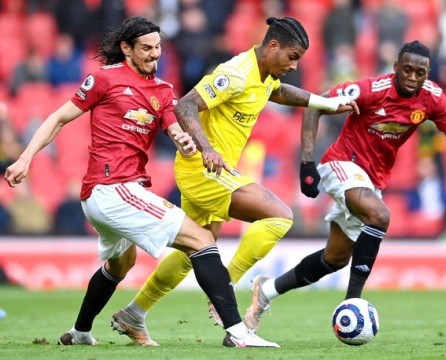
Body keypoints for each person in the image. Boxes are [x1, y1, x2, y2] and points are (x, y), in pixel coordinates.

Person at [4, 16, 279, 348]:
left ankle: (79, 332)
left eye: (158, 48)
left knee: (121, 264)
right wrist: (25, 157)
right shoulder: (104, 79)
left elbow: (173, 126)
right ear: (126, 48)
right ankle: (238, 332)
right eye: (146, 48)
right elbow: (58, 118)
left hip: (119, 192)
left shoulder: (162, 90)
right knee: (202, 239)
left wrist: (185, 141)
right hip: (110, 188)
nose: (154, 55)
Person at [112, 16, 357, 345]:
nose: (295, 65)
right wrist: (208, 148)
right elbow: (185, 105)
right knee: (280, 215)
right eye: (292, 57)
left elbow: (278, 91)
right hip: (205, 170)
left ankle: (134, 313)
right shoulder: (235, 74)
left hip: (209, 171)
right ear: (272, 46)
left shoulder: (264, 73)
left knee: (193, 250)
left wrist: (323, 102)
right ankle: (224, 288)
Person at [244, 40, 446, 331]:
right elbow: (315, 107)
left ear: (428, 73)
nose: (413, 78)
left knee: (335, 258)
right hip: (342, 163)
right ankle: (353, 304)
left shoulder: (433, 99)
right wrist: (307, 163)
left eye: (420, 73)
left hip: (371, 179)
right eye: (408, 70)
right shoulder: (369, 90)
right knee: (380, 216)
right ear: (396, 67)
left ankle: (266, 291)